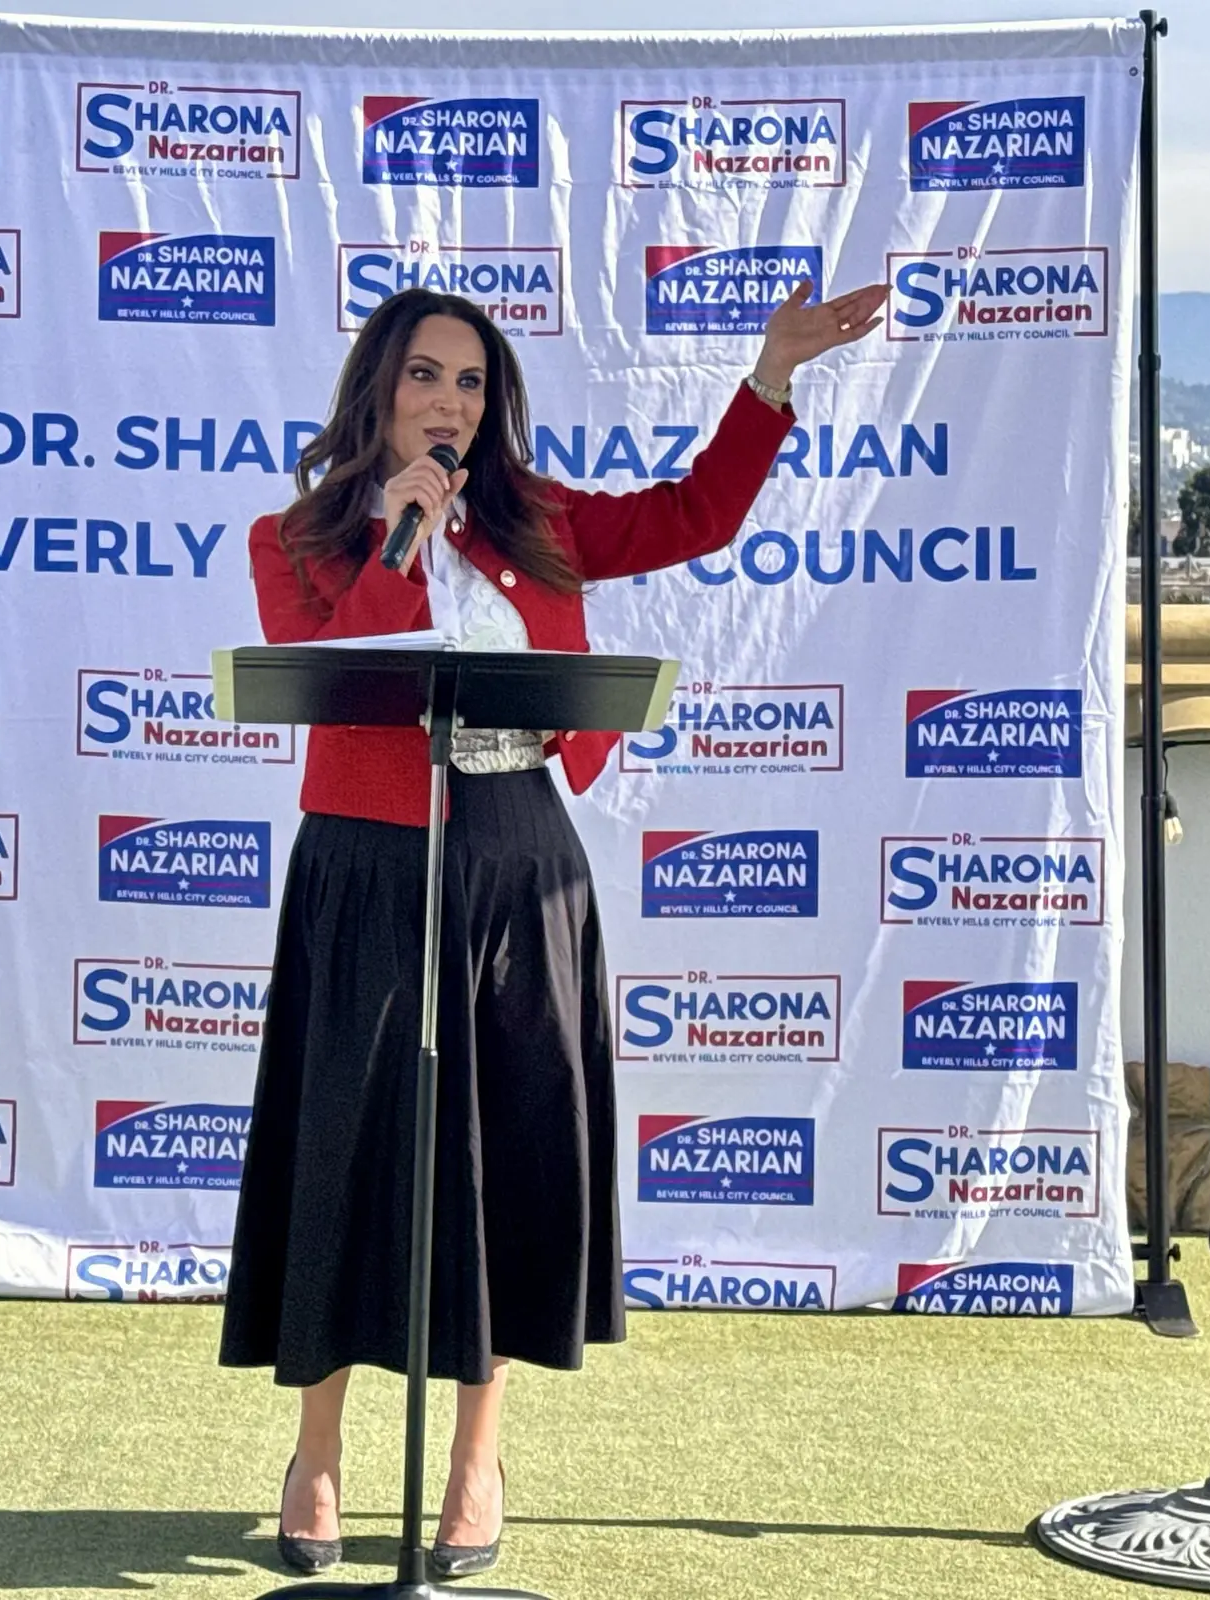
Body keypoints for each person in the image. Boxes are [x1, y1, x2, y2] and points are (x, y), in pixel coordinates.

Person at [219, 279, 888, 1579]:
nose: (448, 402)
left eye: (472, 384)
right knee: (349, 1155)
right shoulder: (298, 540)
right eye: (426, 376)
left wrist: (770, 379)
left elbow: (695, 516)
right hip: (366, 867)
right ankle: (316, 1455)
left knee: (506, 1160)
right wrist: (395, 532)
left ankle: (478, 1459)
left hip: (520, 856)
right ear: (379, 388)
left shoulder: (543, 525)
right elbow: (335, 653)